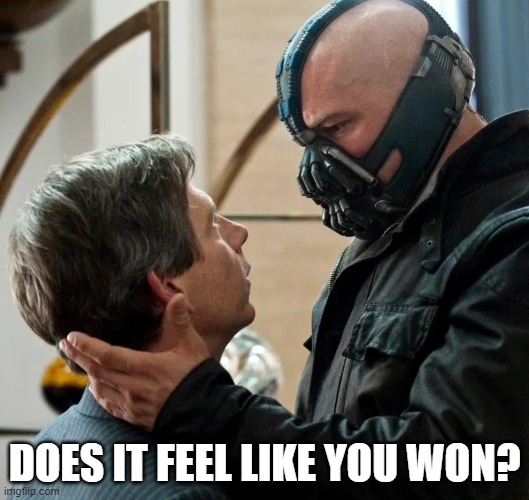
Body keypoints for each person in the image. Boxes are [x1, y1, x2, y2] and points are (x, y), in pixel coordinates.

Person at [61, 0, 529, 497]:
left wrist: (210, 414)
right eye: (309, 141)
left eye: (337, 129)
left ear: (428, 96)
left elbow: (459, 466)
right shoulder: (390, 225)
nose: (318, 169)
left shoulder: (514, 236)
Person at [7, 133, 254, 498]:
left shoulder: (51, 447)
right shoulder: (186, 492)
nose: (239, 233)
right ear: (167, 284)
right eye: (212, 226)